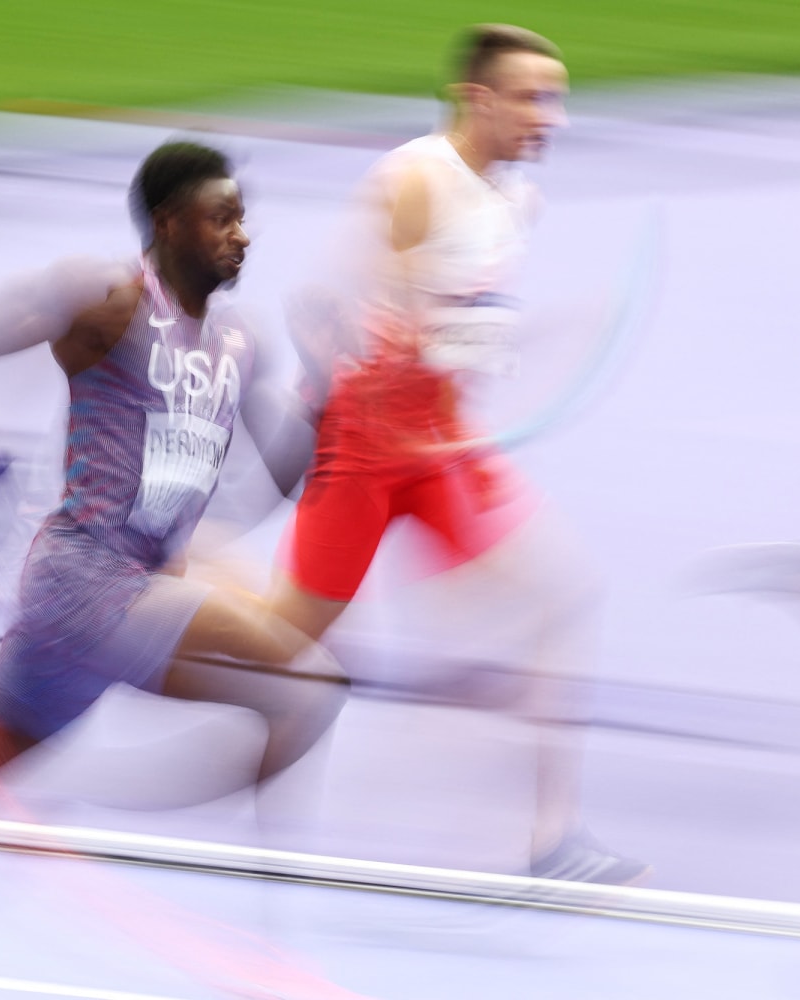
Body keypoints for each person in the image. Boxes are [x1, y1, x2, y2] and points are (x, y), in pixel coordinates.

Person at [271, 24, 646, 883]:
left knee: (561, 594)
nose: (549, 116)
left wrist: (547, 334)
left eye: (555, 98)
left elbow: (468, 337)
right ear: (477, 100)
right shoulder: (410, 182)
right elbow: (322, 305)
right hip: (365, 446)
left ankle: (552, 839)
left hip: (441, 446)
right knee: (284, 638)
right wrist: (376, 361)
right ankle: (141, 625)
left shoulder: (519, 202)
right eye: (531, 97)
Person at [0, 140, 347, 811]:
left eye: (243, 218)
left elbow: (281, 481)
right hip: (86, 584)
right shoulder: (107, 299)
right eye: (221, 217)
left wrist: (321, 393)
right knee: (308, 692)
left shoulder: (240, 344)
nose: (242, 235)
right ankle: (146, 833)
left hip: (122, 605)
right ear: (167, 222)